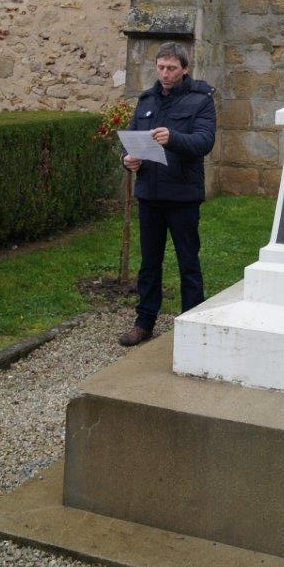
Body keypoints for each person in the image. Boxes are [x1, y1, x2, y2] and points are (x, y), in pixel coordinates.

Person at [119, 42, 216, 346]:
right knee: (149, 263)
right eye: (161, 67)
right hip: (149, 193)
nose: (165, 73)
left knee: (188, 262)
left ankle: (193, 322)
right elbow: (132, 138)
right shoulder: (146, 100)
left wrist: (173, 138)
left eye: (171, 68)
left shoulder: (201, 100)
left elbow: (203, 142)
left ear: (184, 69)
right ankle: (144, 321)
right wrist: (128, 159)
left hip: (183, 196)